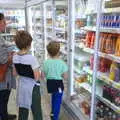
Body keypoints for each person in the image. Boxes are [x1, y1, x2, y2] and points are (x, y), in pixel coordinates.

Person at [13, 30, 43, 120]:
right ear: (28, 45)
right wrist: (40, 72)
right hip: (33, 88)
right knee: (36, 111)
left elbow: (14, 73)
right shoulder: (32, 59)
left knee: (23, 110)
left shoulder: (15, 57)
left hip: (22, 86)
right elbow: (37, 77)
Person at [42, 41, 68, 120]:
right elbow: (65, 76)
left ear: (48, 52)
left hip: (49, 83)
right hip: (58, 84)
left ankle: (52, 112)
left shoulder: (46, 62)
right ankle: (54, 117)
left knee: (53, 98)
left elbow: (43, 75)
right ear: (58, 52)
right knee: (57, 102)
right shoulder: (62, 63)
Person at [0, 13, 16, 120]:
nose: (5, 24)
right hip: (3, 73)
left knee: (4, 96)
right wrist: (11, 56)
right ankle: (3, 116)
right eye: (3, 22)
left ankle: (4, 114)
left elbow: (4, 44)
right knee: (3, 96)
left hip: (4, 73)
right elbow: (3, 59)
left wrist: (13, 44)